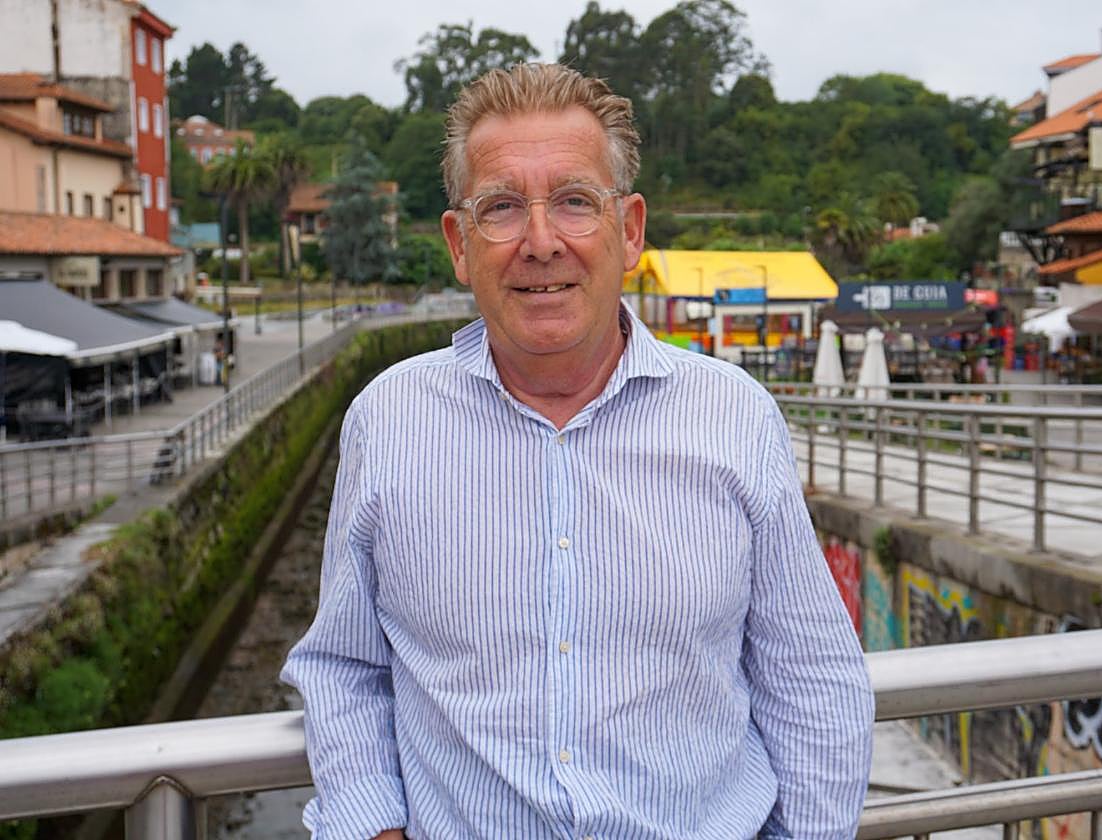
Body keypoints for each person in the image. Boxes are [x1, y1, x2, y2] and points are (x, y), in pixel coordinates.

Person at [282, 63, 873, 840]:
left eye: (573, 202)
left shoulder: (735, 418)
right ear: (460, 245)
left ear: (629, 230)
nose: (539, 242)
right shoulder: (387, 423)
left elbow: (813, 678)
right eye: (500, 208)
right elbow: (345, 671)